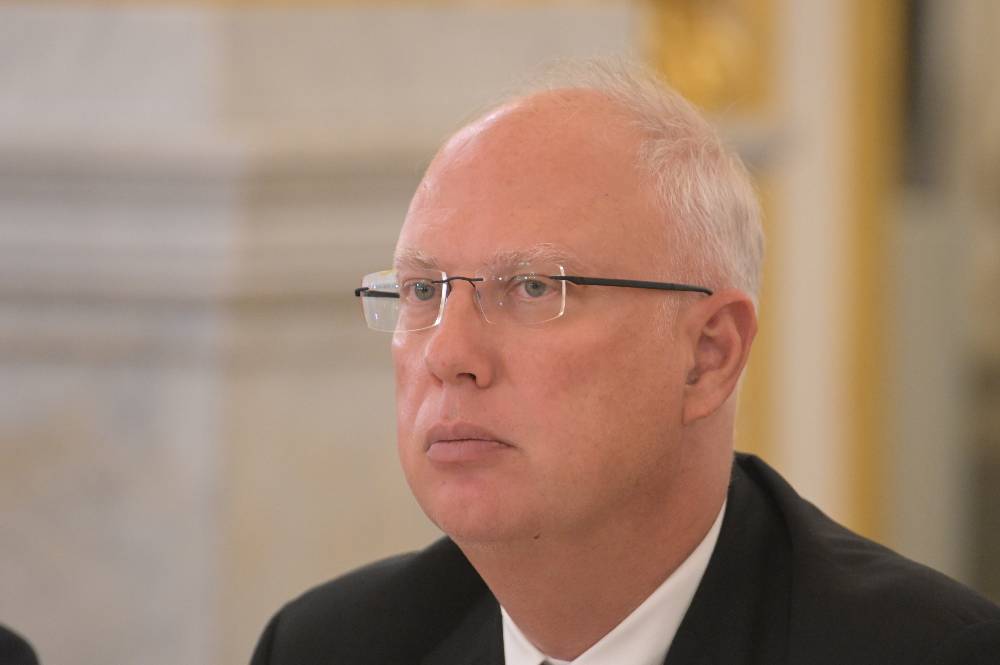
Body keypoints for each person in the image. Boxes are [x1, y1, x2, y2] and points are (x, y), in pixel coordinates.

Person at [250, 60, 1000, 665]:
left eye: (535, 287)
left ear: (709, 354)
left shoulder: (929, 653)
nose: (449, 355)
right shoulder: (328, 646)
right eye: (423, 290)